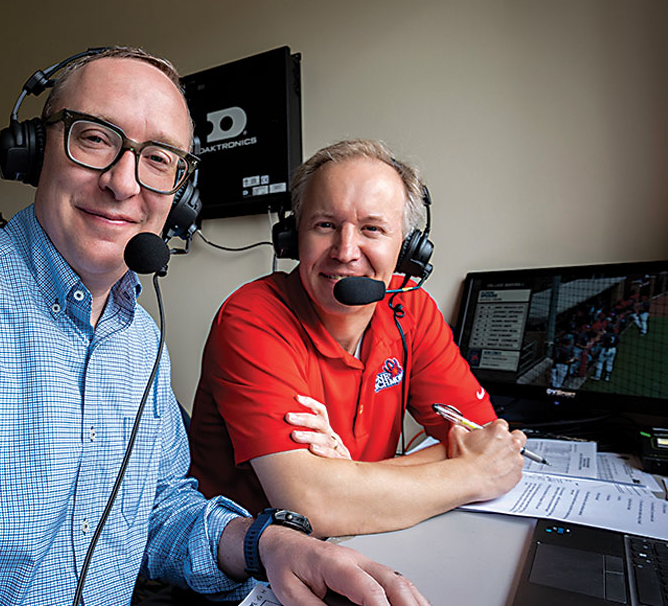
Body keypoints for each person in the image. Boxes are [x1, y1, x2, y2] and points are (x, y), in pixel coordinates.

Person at [0, 49, 427, 606]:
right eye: (95, 138)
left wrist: (265, 543)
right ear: (34, 152)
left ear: (179, 198)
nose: (125, 182)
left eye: (159, 158)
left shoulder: (141, 342)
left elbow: (160, 510)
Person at [189, 140, 527, 538]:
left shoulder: (411, 308)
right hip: (247, 572)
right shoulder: (252, 317)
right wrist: (471, 476)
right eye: (325, 225)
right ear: (293, 235)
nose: (346, 251)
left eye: (372, 229)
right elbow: (311, 506)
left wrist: (346, 479)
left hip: (364, 539)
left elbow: (480, 435)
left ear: (407, 248)